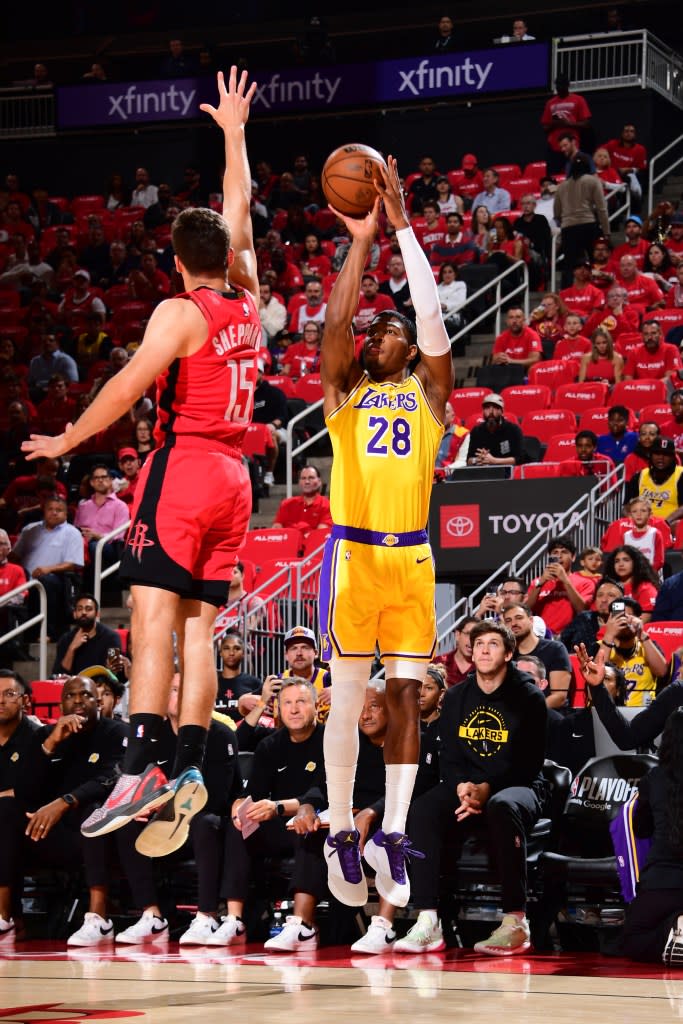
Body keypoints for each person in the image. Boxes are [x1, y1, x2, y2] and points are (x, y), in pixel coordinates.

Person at [21, 69, 261, 851]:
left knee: (150, 620)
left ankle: (137, 765)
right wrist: (233, 135)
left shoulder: (178, 309)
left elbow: (126, 386)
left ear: (173, 254)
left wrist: (65, 440)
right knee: (199, 630)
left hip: (185, 467)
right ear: (224, 253)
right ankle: (189, 763)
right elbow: (240, 207)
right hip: (236, 481)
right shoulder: (249, 296)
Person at [318, 154, 453, 910]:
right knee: (345, 701)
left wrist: (403, 231)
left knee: (405, 698)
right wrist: (361, 241)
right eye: (374, 331)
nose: (377, 333)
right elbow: (336, 323)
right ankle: (340, 824)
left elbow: (432, 322)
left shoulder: (431, 396)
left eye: (388, 328)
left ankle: (391, 832)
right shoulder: (345, 392)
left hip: (412, 562)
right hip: (354, 555)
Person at [392, 620, 547, 955]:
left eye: (493, 644)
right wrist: (462, 786)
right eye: (479, 644)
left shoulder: (529, 697)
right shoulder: (459, 695)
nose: (485, 650)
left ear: (508, 653)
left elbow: (528, 762)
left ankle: (516, 922)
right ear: (471, 652)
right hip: (467, 785)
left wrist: (486, 790)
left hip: (519, 786)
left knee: (502, 806)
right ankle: (428, 920)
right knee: (423, 808)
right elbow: (448, 752)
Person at [219, 678, 327, 950]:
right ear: (278, 709)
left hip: (319, 824)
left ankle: (303, 926)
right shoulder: (269, 745)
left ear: (315, 706)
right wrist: (240, 805)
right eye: (287, 703)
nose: (293, 709)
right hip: (276, 826)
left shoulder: (330, 740)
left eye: (301, 702)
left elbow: (326, 792)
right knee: (240, 825)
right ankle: (234, 920)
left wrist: (280, 806)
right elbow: (255, 794)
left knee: (306, 824)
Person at [10, 495, 83, 641]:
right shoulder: (30, 530)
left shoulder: (72, 533)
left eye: (59, 510)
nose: (54, 513)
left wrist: (48, 569)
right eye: (50, 509)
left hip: (56, 580)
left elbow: (73, 563)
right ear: (44, 511)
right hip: (25, 580)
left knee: (46, 581)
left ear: (66, 513)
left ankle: (46, 633)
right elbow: (14, 556)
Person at [554, 155, 610, 289]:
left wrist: (564, 222)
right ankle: (598, 290)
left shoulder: (561, 187)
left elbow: (557, 212)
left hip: (568, 228)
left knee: (569, 265)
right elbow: (602, 209)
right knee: (594, 261)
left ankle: (565, 295)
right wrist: (606, 232)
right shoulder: (593, 181)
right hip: (588, 225)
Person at [502, 601, 572, 708]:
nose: (513, 624)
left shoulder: (555, 649)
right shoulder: (506, 655)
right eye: (508, 620)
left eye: (519, 618)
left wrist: (529, 714)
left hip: (549, 716)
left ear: (531, 620)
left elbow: (559, 697)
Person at [52, 593, 121, 678]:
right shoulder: (65, 639)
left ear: (97, 614)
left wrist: (110, 668)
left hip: (101, 687)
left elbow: (115, 672)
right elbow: (59, 675)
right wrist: (72, 648)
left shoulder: (111, 637)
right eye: (79, 609)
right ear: (74, 614)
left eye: (88, 609)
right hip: (74, 688)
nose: (84, 612)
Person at [626, 436, 683, 528]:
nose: (661, 457)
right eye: (657, 453)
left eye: (666, 454)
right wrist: (632, 520)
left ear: (673, 457)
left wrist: (664, 523)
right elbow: (627, 505)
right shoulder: (639, 476)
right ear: (650, 455)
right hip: (641, 525)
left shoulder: (681, 474)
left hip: (671, 526)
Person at [541, 74, 592, 176]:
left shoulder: (578, 100)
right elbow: (545, 127)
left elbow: (586, 124)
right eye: (558, 85)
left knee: (575, 175)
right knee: (553, 177)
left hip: (573, 145)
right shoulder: (550, 103)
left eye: (563, 85)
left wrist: (568, 124)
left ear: (568, 85)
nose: (560, 88)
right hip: (554, 147)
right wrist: (555, 124)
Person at [560, 577, 624, 656]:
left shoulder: (625, 626)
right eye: (600, 595)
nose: (604, 600)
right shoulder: (583, 619)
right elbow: (562, 642)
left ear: (622, 602)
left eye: (611, 595)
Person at [272, 464, 332, 537]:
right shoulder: (287, 504)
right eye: (303, 478)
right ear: (299, 482)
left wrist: (296, 529)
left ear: (319, 482)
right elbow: (276, 532)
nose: (307, 481)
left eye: (311, 478)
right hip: (288, 546)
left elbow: (320, 535)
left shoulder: (327, 505)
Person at [602, 545, 660, 621]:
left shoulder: (645, 588)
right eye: (617, 561)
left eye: (626, 560)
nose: (621, 564)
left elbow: (645, 619)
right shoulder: (608, 586)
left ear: (636, 563)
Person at [466, 393, 524, 466]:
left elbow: (520, 459)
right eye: (487, 408)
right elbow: (469, 460)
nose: (491, 412)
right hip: (482, 472)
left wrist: (494, 461)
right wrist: (478, 459)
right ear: (483, 411)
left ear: (502, 411)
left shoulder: (513, 430)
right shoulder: (477, 431)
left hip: (506, 472)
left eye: (496, 407)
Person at [215, 631, 261, 721]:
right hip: (217, 734)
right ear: (220, 653)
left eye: (236, 648)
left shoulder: (254, 683)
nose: (231, 653)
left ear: (243, 653)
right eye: (226, 648)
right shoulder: (212, 684)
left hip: (245, 733)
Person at [434, 615, 476, 688]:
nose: (471, 640)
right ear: (457, 635)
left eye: (476, 636)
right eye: (468, 634)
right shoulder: (439, 663)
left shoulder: (482, 667)